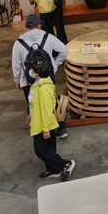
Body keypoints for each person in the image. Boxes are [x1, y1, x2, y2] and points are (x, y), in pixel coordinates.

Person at [12, 14, 69, 137]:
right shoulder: (48, 37)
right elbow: (64, 50)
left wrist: (17, 79)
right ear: (39, 25)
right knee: (51, 102)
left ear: (26, 27)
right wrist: (55, 64)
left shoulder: (18, 43)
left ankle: (37, 130)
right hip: (47, 78)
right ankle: (59, 129)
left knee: (32, 105)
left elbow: (16, 64)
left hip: (28, 79)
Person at [25, 53, 75, 181]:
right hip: (39, 122)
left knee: (41, 151)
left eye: (31, 68)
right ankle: (54, 169)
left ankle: (65, 165)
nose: (29, 70)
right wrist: (31, 115)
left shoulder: (43, 88)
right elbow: (35, 104)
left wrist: (45, 129)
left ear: (37, 71)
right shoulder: (37, 84)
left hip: (43, 124)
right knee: (49, 149)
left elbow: (47, 110)